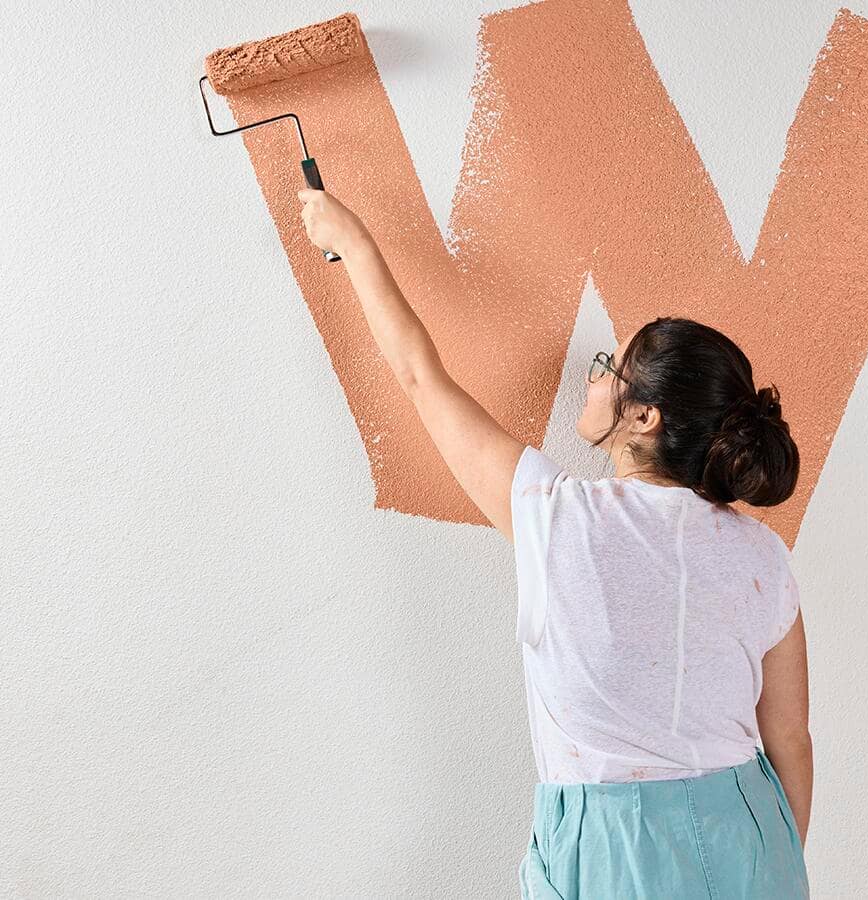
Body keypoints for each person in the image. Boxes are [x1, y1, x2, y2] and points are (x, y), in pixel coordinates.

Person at [296, 188, 812, 898]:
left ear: (645, 417)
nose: (593, 379)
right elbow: (790, 738)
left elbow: (421, 378)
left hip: (614, 851)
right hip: (753, 839)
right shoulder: (763, 557)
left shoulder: (557, 517)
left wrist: (354, 246)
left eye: (609, 369)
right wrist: (776, 864)